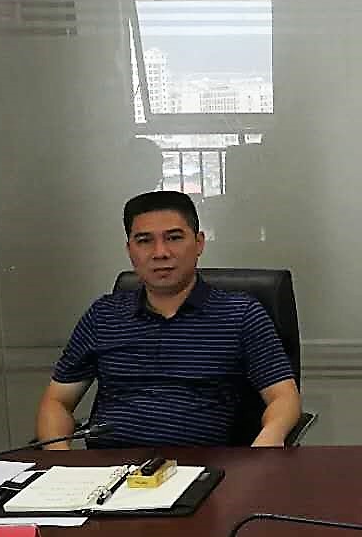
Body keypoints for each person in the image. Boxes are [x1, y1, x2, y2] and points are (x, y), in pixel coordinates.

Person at [36, 191, 301, 449]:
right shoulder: (103, 316)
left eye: (174, 238)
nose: (160, 252)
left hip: (202, 468)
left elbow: (284, 397)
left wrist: (269, 439)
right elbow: (57, 402)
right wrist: (61, 462)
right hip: (110, 469)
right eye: (144, 241)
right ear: (130, 250)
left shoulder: (240, 314)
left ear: (199, 243)